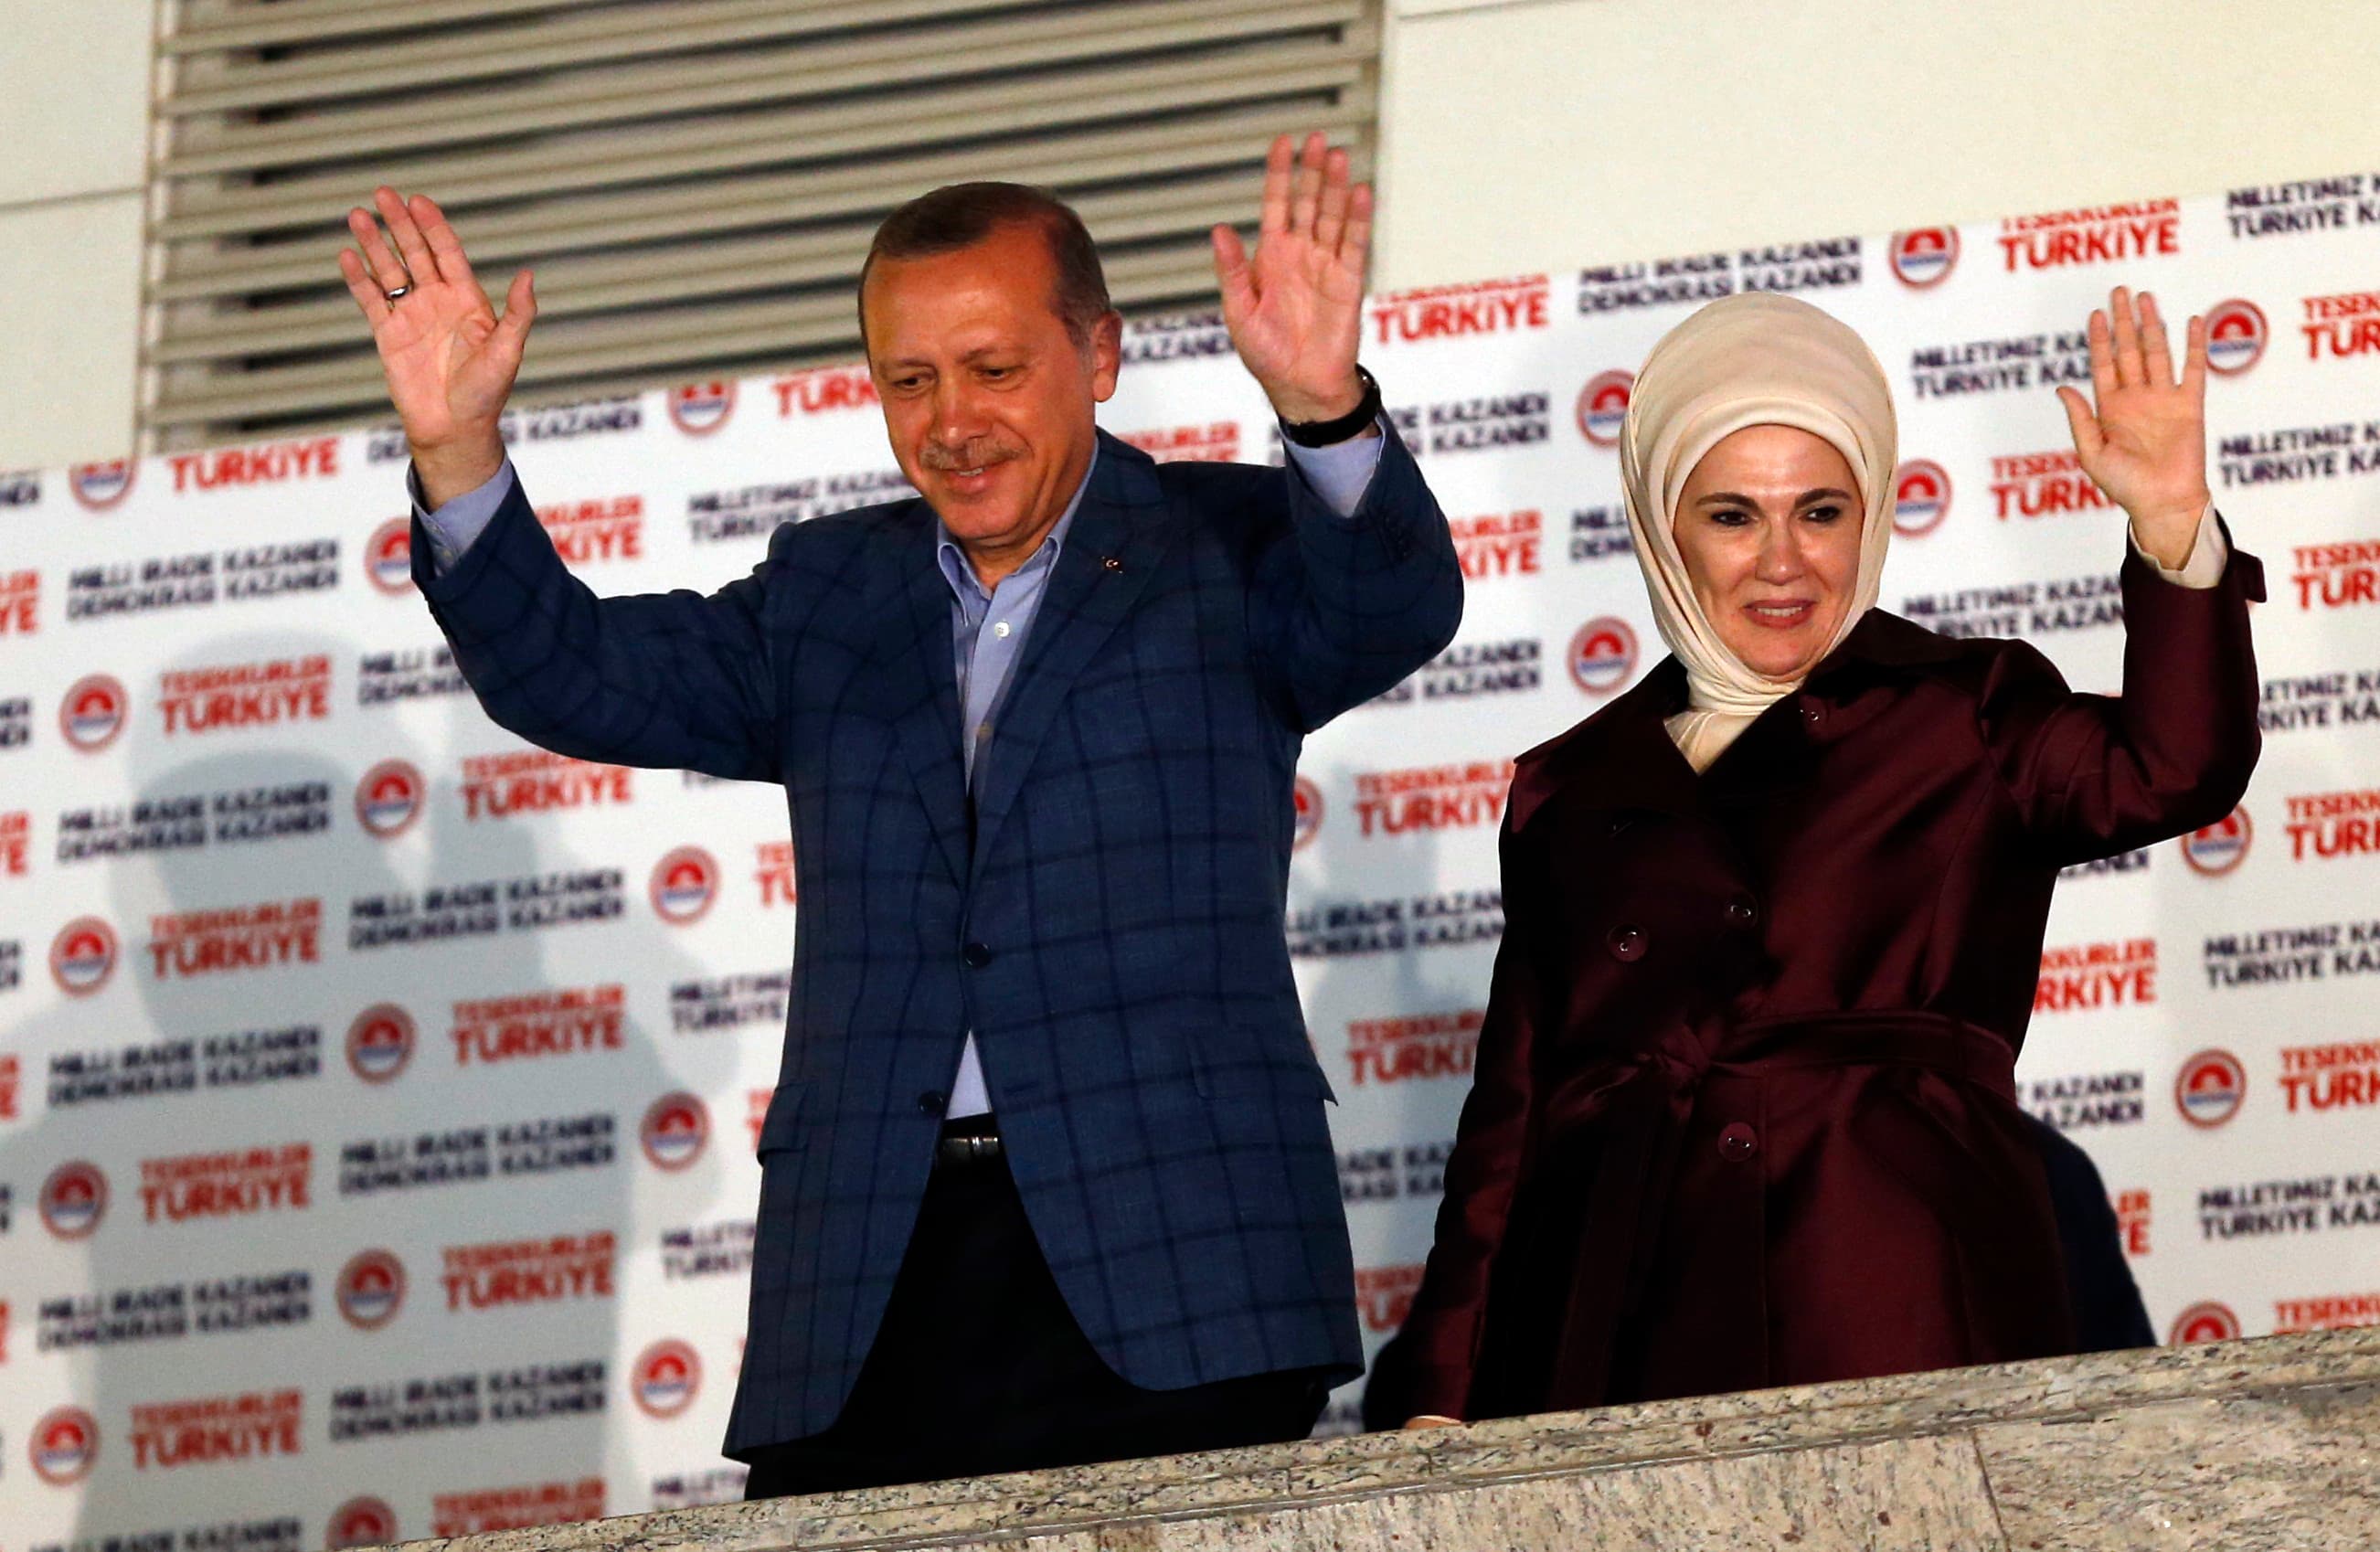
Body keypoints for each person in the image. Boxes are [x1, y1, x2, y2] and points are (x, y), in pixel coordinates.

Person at [335, 132, 1463, 1493]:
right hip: (871, 1278)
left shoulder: (1224, 545)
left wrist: (1326, 411)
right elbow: (568, 670)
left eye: (996, 370)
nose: (952, 421)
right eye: (909, 379)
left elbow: (1394, 608)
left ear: (1097, 359)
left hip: (1178, 1260)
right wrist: (458, 449)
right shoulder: (828, 589)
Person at [1394, 288, 2258, 1424]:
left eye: (1820, 511)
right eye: (1732, 517)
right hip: (1624, 1315)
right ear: (1662, 528)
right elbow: (1508, 1124)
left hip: (1895, 1284)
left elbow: (2176, 762)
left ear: (1871, 518)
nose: (1783, 563)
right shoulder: (1570, 787)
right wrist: (1444, 1394)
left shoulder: (1967, 711)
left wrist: (2171, 527)